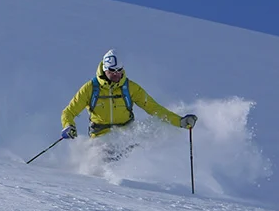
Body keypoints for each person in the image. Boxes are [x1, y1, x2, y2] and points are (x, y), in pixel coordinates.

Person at [60, 50, 197, 143]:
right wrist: (68, 126)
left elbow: (153, 108)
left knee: (149, 134)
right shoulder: (90, 88)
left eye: (119, 70)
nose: (116, 74)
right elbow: (69, 112)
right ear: (105, 69)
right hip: (101, 139)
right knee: (102, 160)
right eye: (112, 71)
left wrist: (180, 121)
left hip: (126, 137)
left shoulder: (130, 88)